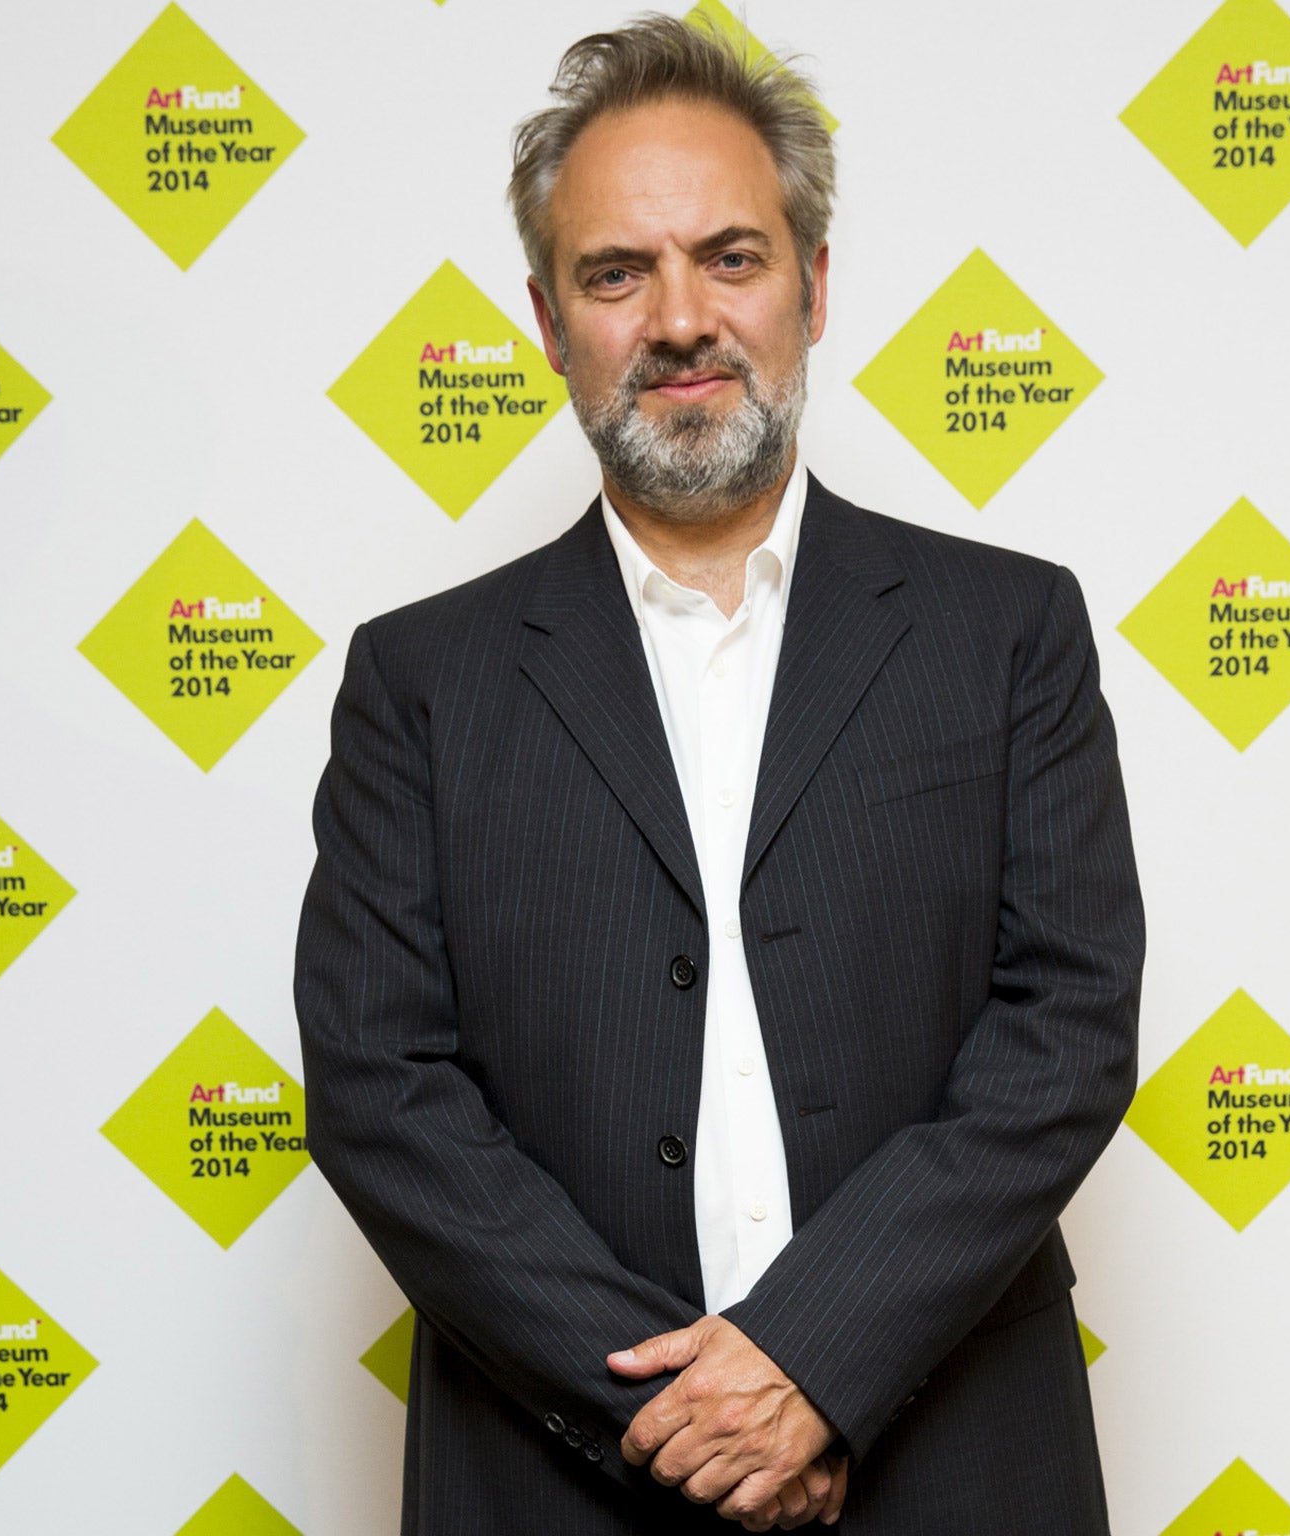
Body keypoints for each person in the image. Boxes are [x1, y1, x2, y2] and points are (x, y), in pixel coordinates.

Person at [294, 15, 1145, 1533]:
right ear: (551, 322)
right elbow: (382, 1092)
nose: (679, 318)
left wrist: (818, 1364)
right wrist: (682, 1419)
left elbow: (1063, 1034)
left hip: (950, 1462)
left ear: (815, 289)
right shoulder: (420, 684)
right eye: (617, 273)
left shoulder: (1007, 632)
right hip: (561, 1476)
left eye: (732, 259)